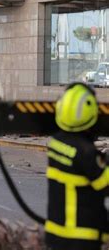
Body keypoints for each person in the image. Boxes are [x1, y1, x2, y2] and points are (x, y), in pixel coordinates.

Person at [45, 83, 109, 250]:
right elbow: (105, 185)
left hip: (56, 235)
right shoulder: (86, 153)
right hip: (81, 237)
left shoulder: (55, 143)